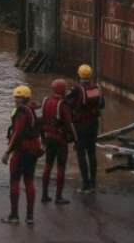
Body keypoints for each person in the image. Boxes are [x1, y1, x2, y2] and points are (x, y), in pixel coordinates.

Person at [1, 85, 42, 225]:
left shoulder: (21, 114)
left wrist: (7, 152)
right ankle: (29, 217)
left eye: (18, 98)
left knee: (15, 181)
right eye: (15, 97)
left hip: (21, 153)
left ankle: (14, 216)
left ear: (24, 98)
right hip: (33, 151)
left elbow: (17, 133)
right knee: (29, 181)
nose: (15, 100)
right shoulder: (31, 109)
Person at [67, 63, 104, 194]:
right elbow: (102, 105)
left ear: (79, 74)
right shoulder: (97, 87)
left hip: (81, 125)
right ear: (91, 74)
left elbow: (67, 103)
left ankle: (85, 184)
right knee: (92, 153)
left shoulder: (77, 89)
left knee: (81, 153)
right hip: (94, 124)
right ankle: (93, 183)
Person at [41, 78, 77, 205]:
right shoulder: (63, 104)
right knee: (61, 167)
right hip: (60, 139)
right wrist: (74, 139)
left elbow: (42, 122)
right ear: (62, 90)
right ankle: (58, 196)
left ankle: (44, 194)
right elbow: (69, 124)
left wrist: (43, 139)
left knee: (47, 165)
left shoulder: (46, 101)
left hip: (48, 137)